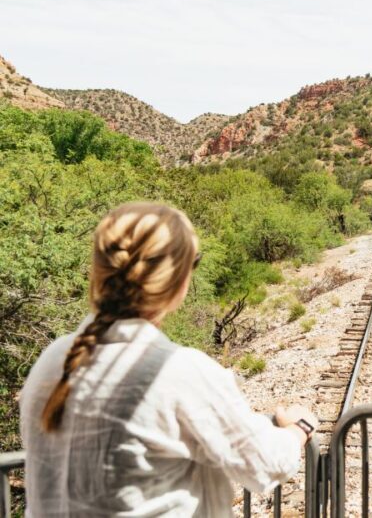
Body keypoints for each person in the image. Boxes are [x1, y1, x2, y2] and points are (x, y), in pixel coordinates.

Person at [19, 202, 318, 517]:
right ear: (179, 278)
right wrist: (299, 428)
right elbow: (266, 463)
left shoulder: (52, 359)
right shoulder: (178, 371)